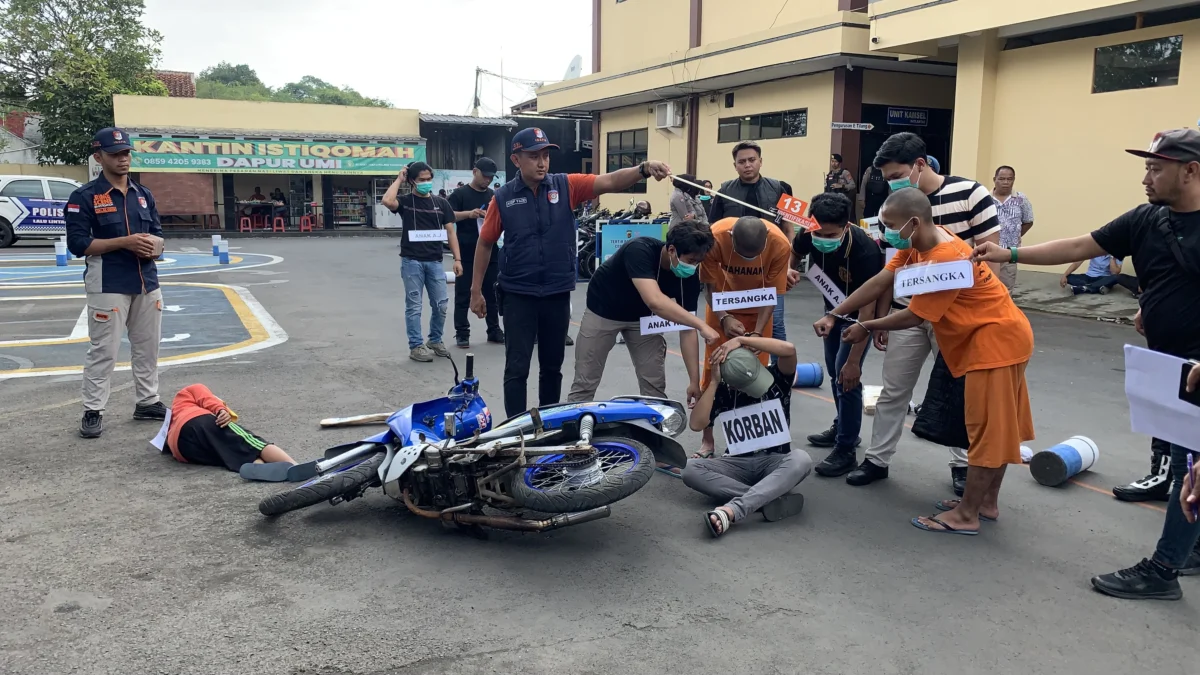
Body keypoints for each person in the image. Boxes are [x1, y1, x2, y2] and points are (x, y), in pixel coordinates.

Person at [973, 128, 1200, 599]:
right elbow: (1080, 247)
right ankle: (1189, 545)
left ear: (1191, 171)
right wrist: (1009, 252)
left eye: (1156, 168)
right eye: (1146, 166)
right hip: (1167, 364)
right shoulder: (1147, 219)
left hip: (1196, 370)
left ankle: (1163, 572)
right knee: (1188, 466)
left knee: (1189, 468)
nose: (1146, 177)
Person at [826, 187, 1034, 536]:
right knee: (997, 429)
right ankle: (985, 502)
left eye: (890, 226)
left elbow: (913, 316)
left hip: (994, 343)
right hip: (991, 339)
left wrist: (865, 325)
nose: (885, 233)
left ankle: (967, 514)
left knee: (987, 432)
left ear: (913, 222)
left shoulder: (945, 257)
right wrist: (836, 313)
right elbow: (880, 281)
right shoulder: (919, 246)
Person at [834, 132, 1001, 494]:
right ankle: (877, 459)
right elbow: (888, 272)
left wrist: (980, 318)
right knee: (894, 390)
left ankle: (962, 465)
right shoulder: (897, 206)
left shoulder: (971, 194)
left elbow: (993, 257)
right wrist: (870, 317)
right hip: (906, 312)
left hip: (956, 317)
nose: (892, 182)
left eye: (897, 174)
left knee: (958, 392)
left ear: (919, 165)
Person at [470, 127, 673, 418]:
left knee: (552, 367)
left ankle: (549, 427)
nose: (542, 163)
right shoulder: (502, 198)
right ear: (516, 160)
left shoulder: (566, 186)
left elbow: (609, 181)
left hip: (555, 293)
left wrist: (642, 169)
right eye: (533, 156)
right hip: (518, 294)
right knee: (517, 368)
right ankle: (515, 428)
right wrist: (476, 291)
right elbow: (486, 243)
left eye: (545, 156)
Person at [568, 224, 720, 473]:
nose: (694, 266)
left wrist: (694, 381)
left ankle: (658, 450)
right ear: (671, 250)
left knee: (653, 384)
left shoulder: (688, 275)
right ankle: (571, 444)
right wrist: (702, 324)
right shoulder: (639, 250)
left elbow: (687, 330)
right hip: (604, 312)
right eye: (691, 260)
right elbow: (656, 301)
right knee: (585, 381)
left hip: (643, 320)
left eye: (699, 261)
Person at [65, 127, 167, 438]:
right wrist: (124, 242)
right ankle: (93, 409)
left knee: (148, 347)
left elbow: (160, 234)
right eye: (114, 154)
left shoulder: (143, 195)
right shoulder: (84, 197)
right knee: (104, 350)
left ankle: (147, 402)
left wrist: (156, 246)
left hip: (147, 281)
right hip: (108, 282)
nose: (123, 159)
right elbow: (78, 244)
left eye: (126, 153)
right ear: (99, 157)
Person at [791, 193, 883, 476]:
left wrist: (855, 360)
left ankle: (845, 450)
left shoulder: (865, 250)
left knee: (847, 377)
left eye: (829, 234)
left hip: (859, 319)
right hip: (831, 312)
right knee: (834, 373)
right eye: (817, 231)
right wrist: (789, 269)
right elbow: (795, 252)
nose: (821, 238)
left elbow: (868, 310)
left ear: (846, 226)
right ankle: (843, 426)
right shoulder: (809, 233)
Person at [683, 337, 813, 537]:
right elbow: (696, 424)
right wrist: (714, 383)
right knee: (691, 470)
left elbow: (789, 349)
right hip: (737, 464)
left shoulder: (777, 379)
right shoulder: (724, 391)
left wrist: (741, 340)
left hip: (775, 462)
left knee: (801, 459)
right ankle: (766, 499)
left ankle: (734, 509)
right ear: (733, 385)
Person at [696, 215, 793, 456]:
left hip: (758, 312)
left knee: (753, 374)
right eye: (742, 254)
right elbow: (709, 285)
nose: (748, 259)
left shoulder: (780, 244)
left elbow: (772, 293)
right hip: (722, 306)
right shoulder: (716, 236)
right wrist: (724, 317)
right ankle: (707, 442)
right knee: (713, 371)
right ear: (731, 239)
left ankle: (747, 442)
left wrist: (757, 332)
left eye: (754, 254)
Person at [709, 141, 800, 357]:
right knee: (735, 323)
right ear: (735, 166)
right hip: (733, 271)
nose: (747, 165)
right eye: (742, 162)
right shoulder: (723, 191)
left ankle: (780, 372)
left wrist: (787, 266)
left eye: (752, 160)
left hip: (771, 266)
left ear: (761, 161)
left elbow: (789, 229)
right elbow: (712, 232)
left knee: (775, 324)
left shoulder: (781, 188)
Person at [382, 161, 462, 362]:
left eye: (429, 179)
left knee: (441, 304)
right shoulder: (406, 201)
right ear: (412, 181)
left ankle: (435, 340)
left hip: (435, 261)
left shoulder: (441, 203)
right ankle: (416, 346)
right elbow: (387, 200)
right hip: (412, 262)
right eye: (421, 180)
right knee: (414, 305)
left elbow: (450, 232)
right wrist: (399, 179)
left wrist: (457, 258)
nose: (426, 183)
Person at [162, 384, 297, 473]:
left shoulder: (174, 416)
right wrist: (220, 410)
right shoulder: (188, 393)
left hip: (183, 449)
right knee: (253, 443)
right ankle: (295, 466)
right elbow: (206, 398)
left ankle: (259, 467)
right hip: (198, 421)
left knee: (233, 452)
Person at [448, 158, 504, 348]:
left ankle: (494, 329)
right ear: (474, 172)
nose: (487, 180)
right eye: (484, 176)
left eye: (490, 177)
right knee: (464, 293)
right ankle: (462, 332)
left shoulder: (494, 196)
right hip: (466, 251)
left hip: (491, 252)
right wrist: (468, 214)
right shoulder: (459, 194)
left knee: (492, 292)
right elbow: (446, 216)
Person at [992, 165, 1035, 289]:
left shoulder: (1021, 199)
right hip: (988, 252)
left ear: (1013, 180)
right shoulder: (985, 198)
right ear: (994, 179)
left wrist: (1014, 235)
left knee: (1006, 288)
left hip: (1010, 253)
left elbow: (1028, 221)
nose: (1006, 182)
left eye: (1009, 179)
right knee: (986, 288)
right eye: (1002, 179)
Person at [1059, 254, 1140, 296]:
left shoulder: (1117, 255)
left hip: (1103, 278)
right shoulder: (1093, 251)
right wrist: (1065, 275)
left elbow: (1114, 272)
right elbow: (1077, 263)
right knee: (1069, 278)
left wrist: (1112, 257)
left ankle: (1086, 288)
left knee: (1115, 278)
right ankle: (1098, 287)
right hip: (1088, 277)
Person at [824, 153, 857, 221]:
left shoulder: (845, 173)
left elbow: (852, 185)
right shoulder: (830, 174)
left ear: (839, 163)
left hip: (842, 201)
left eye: (835, 161)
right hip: (832, 201)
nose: (833, 163)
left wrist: (842, 186)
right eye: (832, 161)